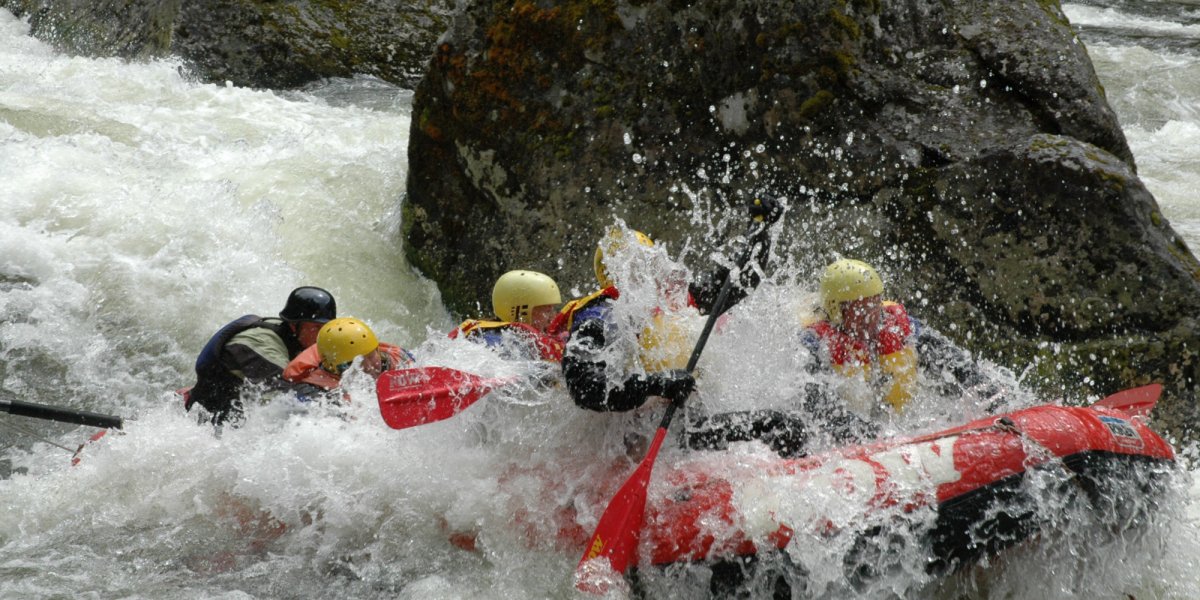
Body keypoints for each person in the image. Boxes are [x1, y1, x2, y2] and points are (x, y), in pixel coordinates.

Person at [553, 198, 782, 413]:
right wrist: (656, 384)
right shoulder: (599, 316)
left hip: (681, 414)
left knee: (777, 424)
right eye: (635, 268)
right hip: (634, 425)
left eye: (650, 264)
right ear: (612, 275)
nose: (648, 274)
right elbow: (583, 386)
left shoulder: (671, 299)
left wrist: (761, 231)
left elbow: (737, 282)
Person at [186, 286, 336, 425]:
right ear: (293, 325)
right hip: (206, 423)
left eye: (326, 328)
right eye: (316, 327)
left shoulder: (298, 339)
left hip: (237, 417)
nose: (323, 334)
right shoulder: (259, 343)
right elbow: (290, 393)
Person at [801, 259, 918, 418]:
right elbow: (815, 405)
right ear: (836, 310)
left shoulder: (898, 324)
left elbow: (949, 359)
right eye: (862, 310)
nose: (872, 317)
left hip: (900, 422)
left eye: (875, 306)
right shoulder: (814, 344)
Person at [449, 270, 565, 361]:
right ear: (521, 311)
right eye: (547, 311)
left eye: (553, 310)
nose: (553, 317)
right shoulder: (497, 340)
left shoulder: (531, 339)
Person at [283, 317, 415, 392]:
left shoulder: (398, 359)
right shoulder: (315, 391)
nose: (369, 367)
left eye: (370, 356)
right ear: (335, 369)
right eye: (355, 363)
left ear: (377, 349)